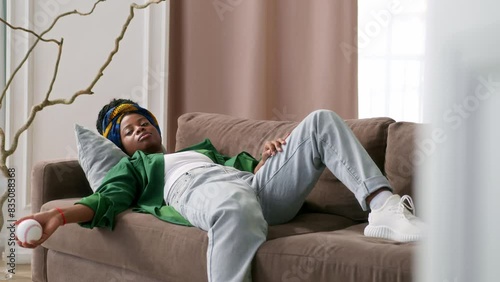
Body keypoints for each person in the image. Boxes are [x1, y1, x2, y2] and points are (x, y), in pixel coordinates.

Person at [17, 99, 422, 282]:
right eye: (129, 130)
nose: (141, 128)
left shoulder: (202, 150)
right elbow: (106, 199)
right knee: (233, 205)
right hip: (201, 192)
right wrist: (59, 215)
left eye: (144, 122)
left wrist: (269, 157)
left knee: (320, 120)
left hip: (255, 188)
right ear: (120, 145)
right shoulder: (138, 168)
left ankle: (383, 207)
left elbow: (252, 173)